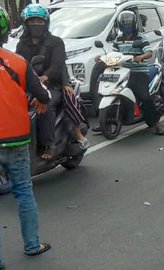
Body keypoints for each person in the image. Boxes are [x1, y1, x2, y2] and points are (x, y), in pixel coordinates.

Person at [0, 7, 51, 268]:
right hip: (18, 140)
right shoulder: (18, 62)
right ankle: (32, 245)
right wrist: (40, 103)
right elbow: (43, 95)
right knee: (23, 192)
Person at [15, 4, 89, 159]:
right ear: (26, 23)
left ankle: (49, 144)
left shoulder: (55, 42)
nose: (36, 25)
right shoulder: (21, 44)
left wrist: (45, 77)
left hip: (52, 85)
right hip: (29, 86)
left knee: (43, 106)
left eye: (39, 21)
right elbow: (18, 65)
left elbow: (58, 64)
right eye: (32, 21)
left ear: (46, 22)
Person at [94, 11, 164, 135]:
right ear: (120, 26)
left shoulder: (141, 38)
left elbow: (149, 53)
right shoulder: (118, 39)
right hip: (121, 70)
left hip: (138, 72)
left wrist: (141, 56)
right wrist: (102, 58)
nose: (127, 27)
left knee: (145, 97)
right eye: (125, 25)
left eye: (129, 25)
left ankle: (155, 123)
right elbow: (114, 53)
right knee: (103, 89)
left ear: (134, 25)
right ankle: (104, 121)